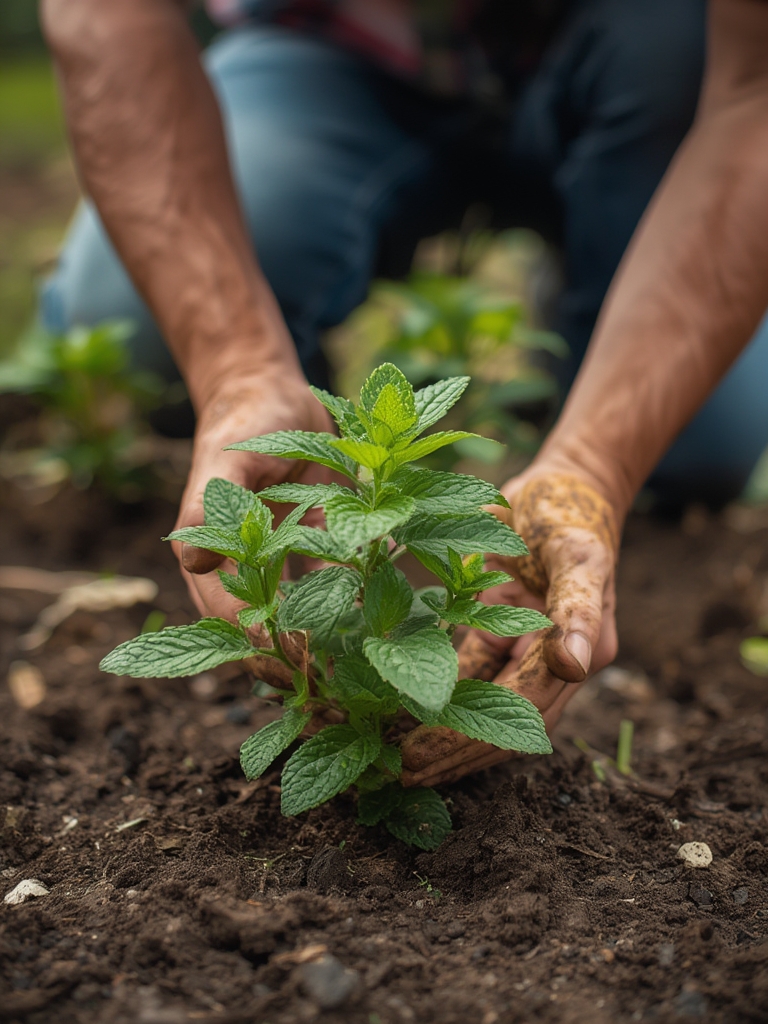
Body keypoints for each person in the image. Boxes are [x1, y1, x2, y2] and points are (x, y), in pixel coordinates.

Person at [40, 0, 768, 783]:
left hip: (646, 57)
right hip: (343, 56)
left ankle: (604, 267)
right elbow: (100, 17)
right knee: (135, 325)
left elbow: (757, 91)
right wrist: (238, 366)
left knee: (703, 445)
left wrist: (596, 463)